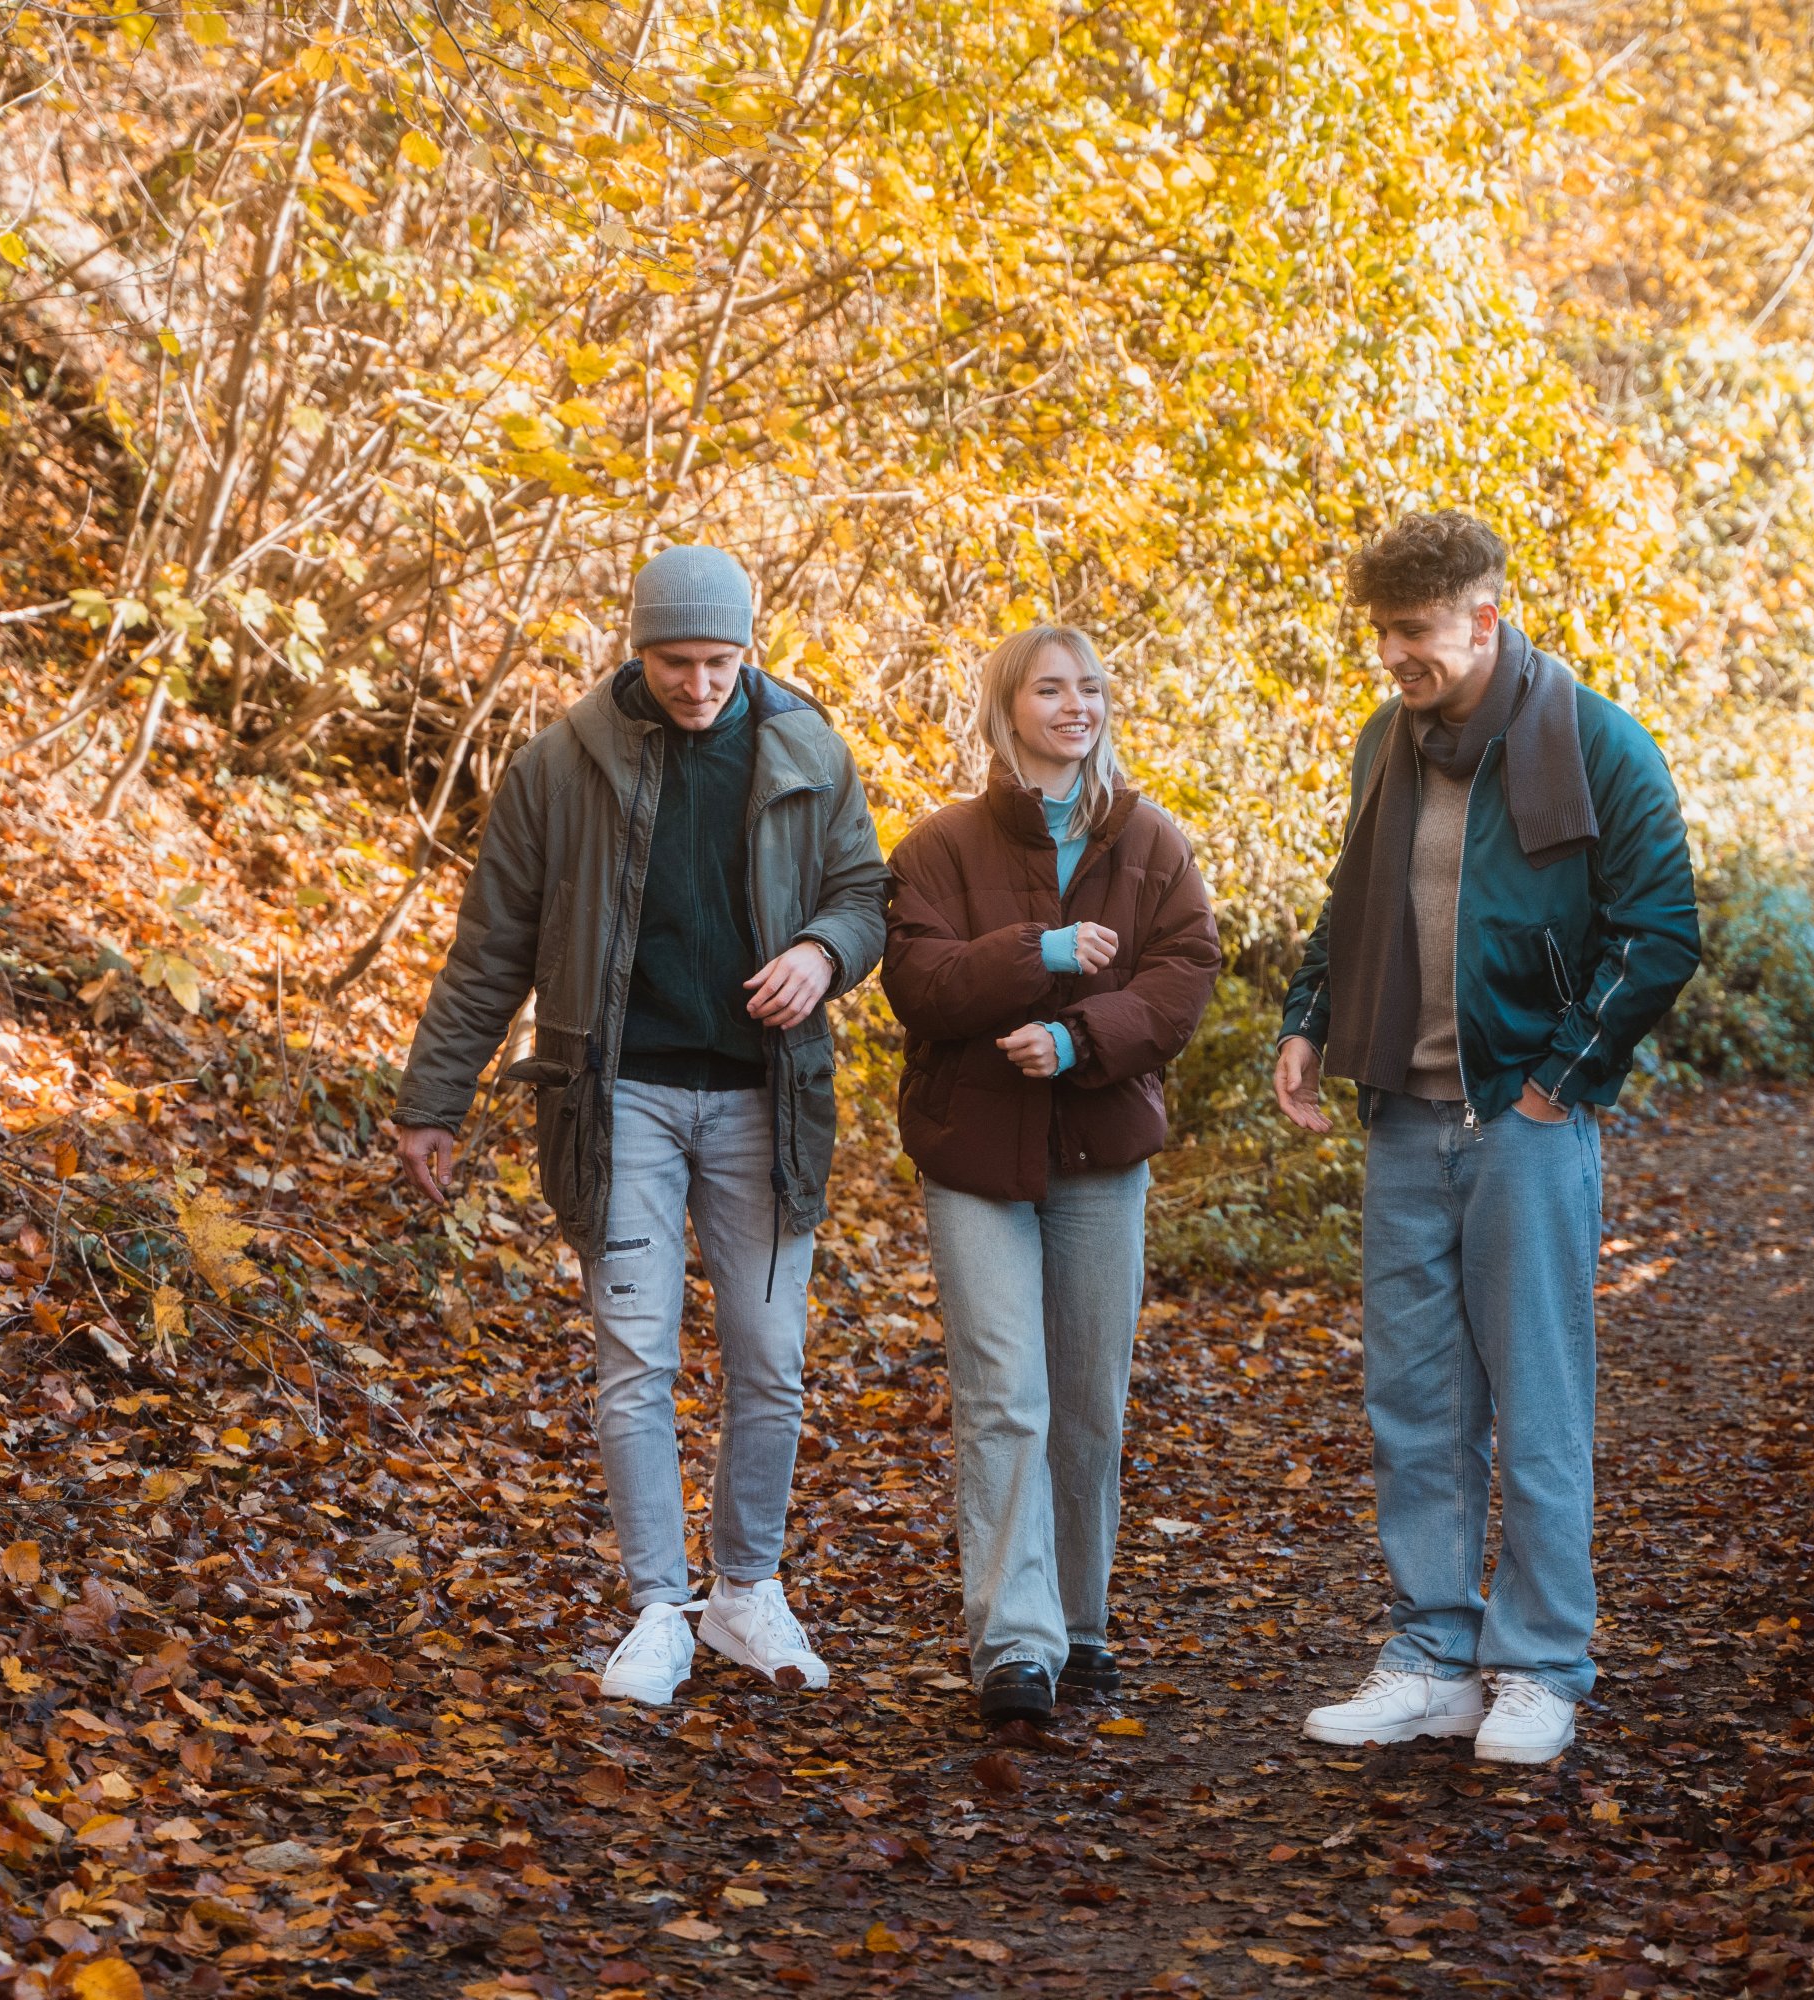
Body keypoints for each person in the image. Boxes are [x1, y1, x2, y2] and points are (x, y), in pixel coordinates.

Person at [390, 543, 888, 1708]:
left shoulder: (808, 749)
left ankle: (747, 1591)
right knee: (636, 1361)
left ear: (748, 650)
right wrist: (434, 1098)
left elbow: (866, 895)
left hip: (768, 1102)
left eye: (721, 661)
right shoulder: (561, 765)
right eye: (676, 661)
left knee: (771, 1361)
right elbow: (491, 944)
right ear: (636, 647)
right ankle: (658, 1607)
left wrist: (822, 954)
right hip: (618, 1105)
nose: (700, 683)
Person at [1276, 512, 1699, 1764]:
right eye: (1384, 632)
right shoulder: (1385, 746)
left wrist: (1557, 1083)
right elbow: (1349, 906)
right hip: (1404, 1120)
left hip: (1524, 1121)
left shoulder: (1601, 745)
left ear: (1484, 618)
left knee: (1540, 1398)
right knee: (1414, 1402)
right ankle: (1431, 1654)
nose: (1395, 655)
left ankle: (1542, 1663)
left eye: (1415, 631)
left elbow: (1659, 931)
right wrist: (1308, 1018)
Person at [882, 626, 1221, 1726]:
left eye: (1090, 688)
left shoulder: (1151, 841)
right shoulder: (941, 845)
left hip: (1100, 1146)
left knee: (1089, 1400)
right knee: (1003, 1393)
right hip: (976, 1153)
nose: (1075, 705)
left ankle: (1080, 1624)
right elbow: (920, 981)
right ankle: (1012, 1645)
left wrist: (1078, 1039)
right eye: (1051, 687)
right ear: (1006, 704)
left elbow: (1182, 977)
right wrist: (1043, 951)